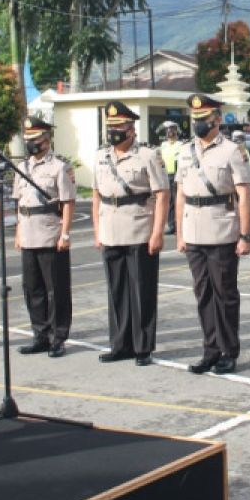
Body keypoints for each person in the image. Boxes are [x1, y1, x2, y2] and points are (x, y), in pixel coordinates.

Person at [177, 93, 250, 375]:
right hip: (193, 229)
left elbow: (244, 195)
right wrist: (180, 233)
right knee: (203, 294)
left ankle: (228, 351)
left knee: (224, 294)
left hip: (222, 229)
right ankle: (210, 349)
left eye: (204, 119)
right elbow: (179, 194)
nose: (198, 124)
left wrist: (245, 235)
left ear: (217, 120)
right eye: (195, 119)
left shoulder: (232, 151)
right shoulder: (186, 151)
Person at [92, 102, 168, 366]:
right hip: (110, 228)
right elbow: (96, 195)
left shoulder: (147, 155)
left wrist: (158, 231)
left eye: (118, 126)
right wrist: (97, 229)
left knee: (141, 289)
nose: (113, 131)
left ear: (131, 128)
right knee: (117, 290)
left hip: (139, 228)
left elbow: (161, 195)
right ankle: (120, 344)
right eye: (110, 126)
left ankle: (143, 346)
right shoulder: (101, 156)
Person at [14, 116, 76, 358]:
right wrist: (19, 232)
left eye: (35, 139)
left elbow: (68, 202)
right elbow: (20, 202)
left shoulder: (59, 167)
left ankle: (58, 337)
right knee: (32, 288)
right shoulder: (22, 168)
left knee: (56, 289)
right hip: (29, 231)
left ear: (47, 140)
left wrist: (66, 233)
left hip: (51, 232)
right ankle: (39, 334)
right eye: (28, 139)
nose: (31, 143)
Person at [160, 121, 184, 235]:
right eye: (168, 130)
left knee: (178, 200)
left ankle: (180, 225)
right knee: (169, 202)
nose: (169, 132)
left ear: (176, 131)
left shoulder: (181, 145)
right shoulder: (163, 145)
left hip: (177, 175)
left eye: (172, 130)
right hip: (166, 175)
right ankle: (171, 225)